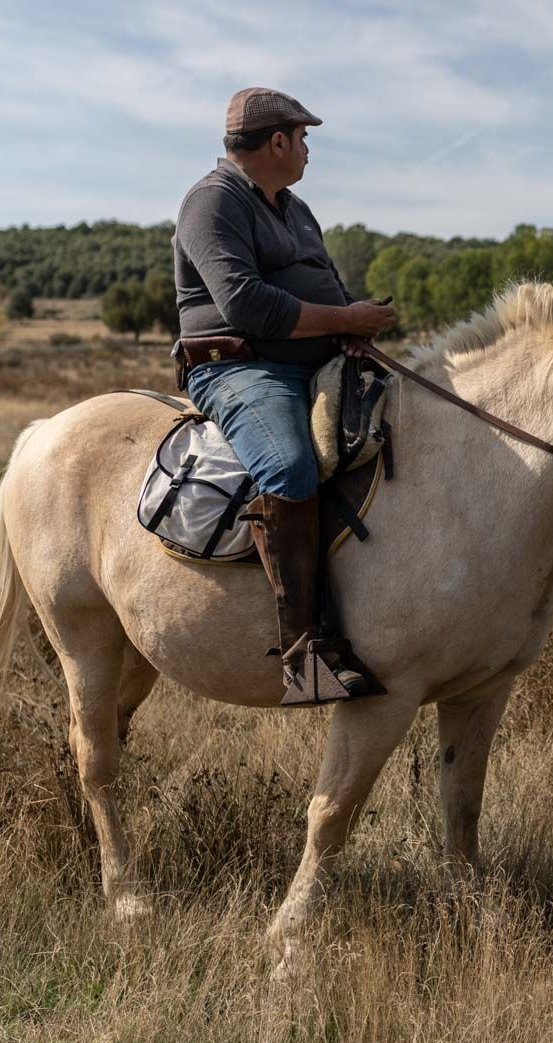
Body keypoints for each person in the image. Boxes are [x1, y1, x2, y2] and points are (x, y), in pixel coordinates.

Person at [173, 87, 397, 704]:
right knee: (290, 465)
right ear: (277, 141)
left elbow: (329, 288)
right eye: (303, 138)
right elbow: (245, 305)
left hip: (315, 362)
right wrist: (344, 321)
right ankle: (306, 656)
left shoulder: (295, 210)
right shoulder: (210, 202)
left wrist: (352, 329)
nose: (307, 150)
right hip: (243, 370)